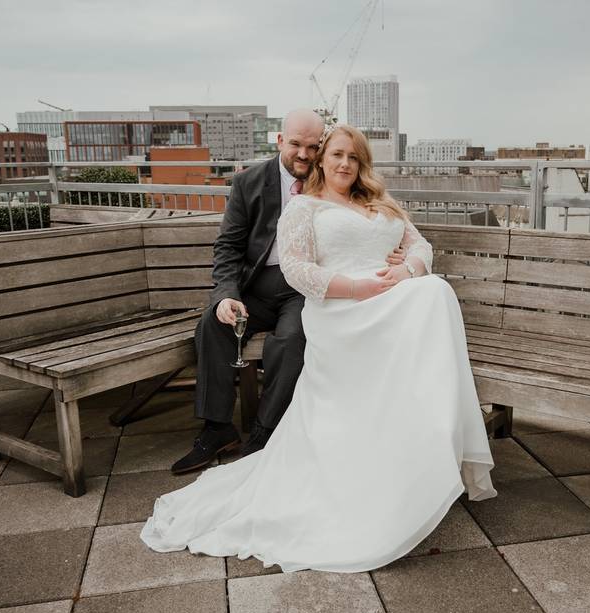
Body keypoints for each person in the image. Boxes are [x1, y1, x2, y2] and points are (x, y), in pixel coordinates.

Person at [141, 124, 496, 573]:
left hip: (389, 298)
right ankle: (226, 431)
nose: (345, 164)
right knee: (435, 295)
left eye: (354, 157)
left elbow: (420, 244)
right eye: (337, 155)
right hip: (341, 306)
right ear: (323, 160)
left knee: (433, 290)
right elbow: (295, 269)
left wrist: (408, 269)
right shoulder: (304, 207)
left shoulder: (380, 204)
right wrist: (357, 288)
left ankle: (425, 442)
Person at [171, 109, 406, 473]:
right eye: (296, 144)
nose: (304, 154)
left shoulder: (329, 174)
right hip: (257, 286)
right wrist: (227, 294)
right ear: (280, 141)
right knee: (212, 325)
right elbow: (229, 246)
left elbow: (363, 221)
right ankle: (217, 428)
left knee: (292, 338)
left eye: (313, 147)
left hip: (305, 287)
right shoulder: (250, 182)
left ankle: (265, 432)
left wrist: (394, 250)